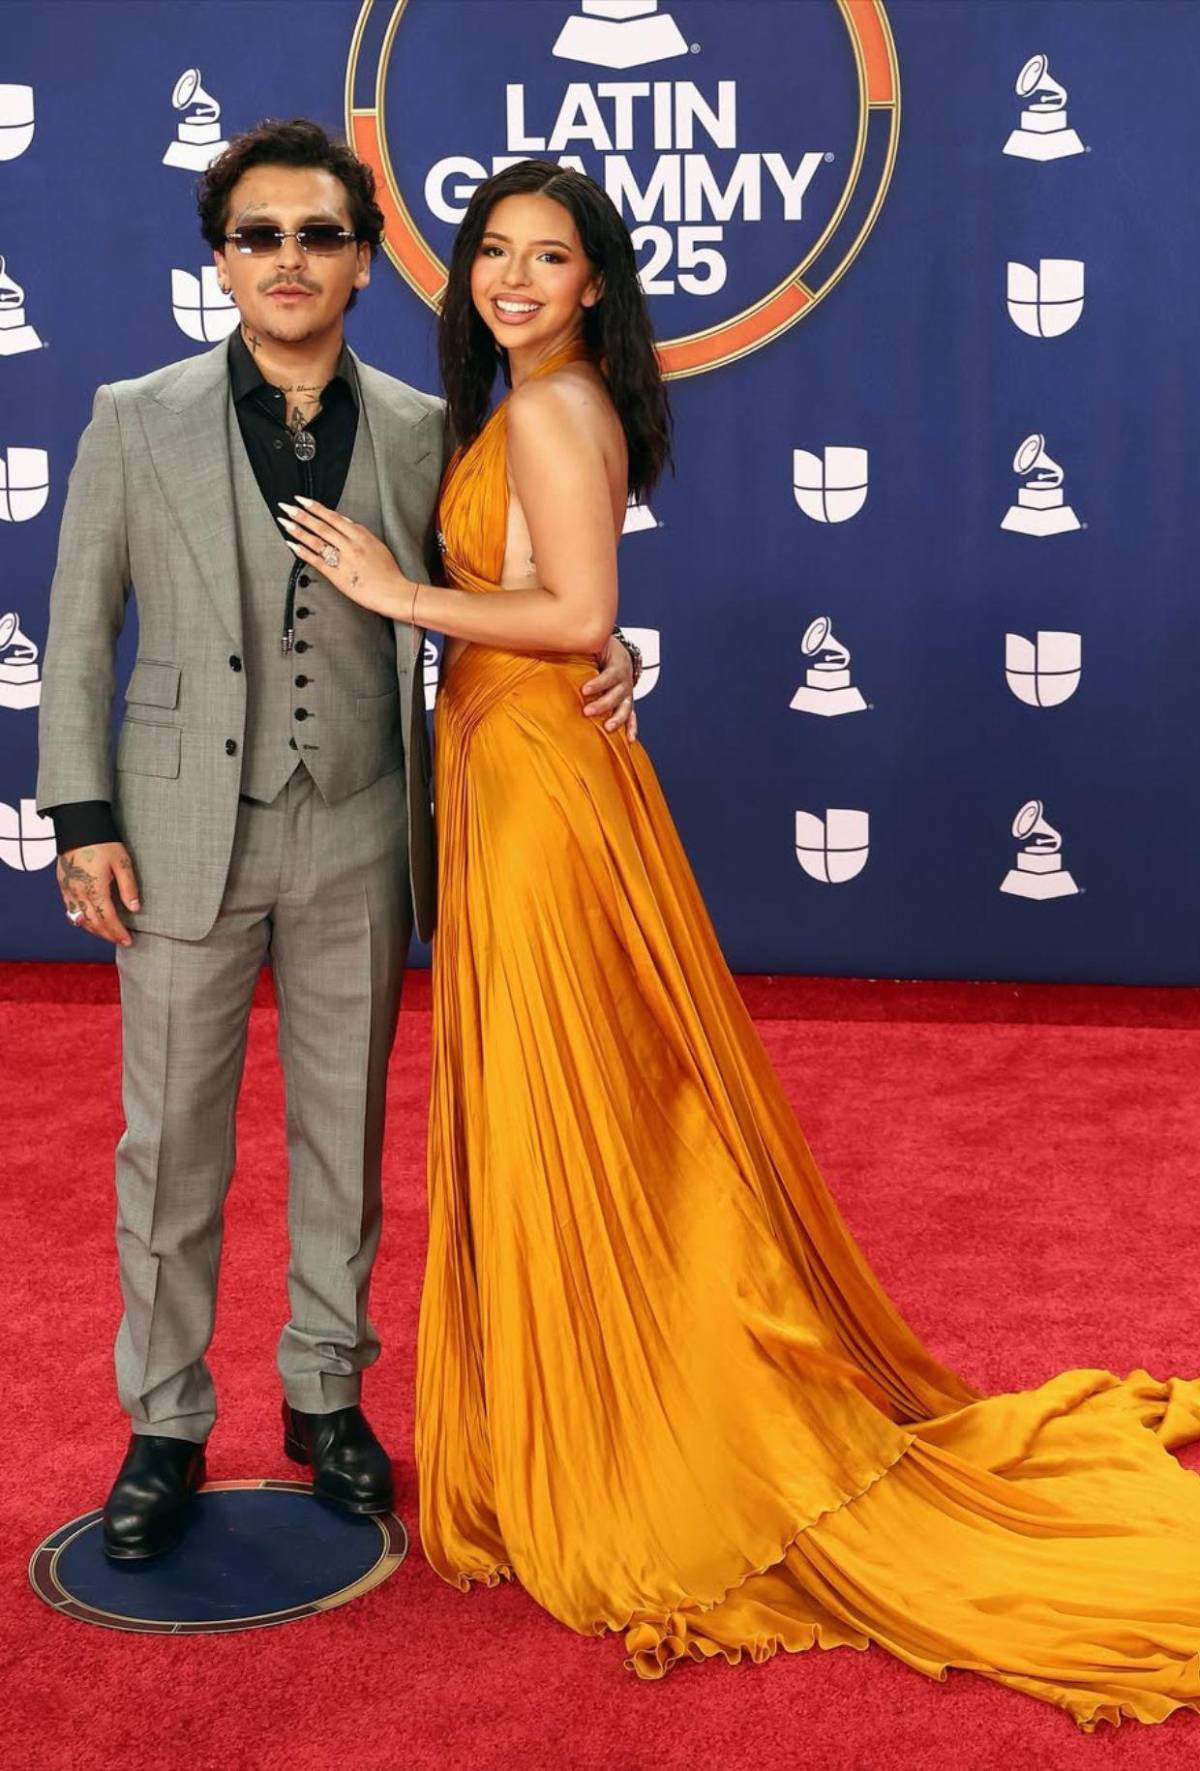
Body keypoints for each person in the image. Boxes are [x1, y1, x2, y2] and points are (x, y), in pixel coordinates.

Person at [281, 157, 1200, 1728]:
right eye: (493, 251)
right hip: (509, 784)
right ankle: (587, 1409)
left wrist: (393, 588)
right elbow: (577, 618)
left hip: (543, 800)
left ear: (594, 286)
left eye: (547, 259)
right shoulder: (523, 405)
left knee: (605, 1109)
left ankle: (654, 1425)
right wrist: (537, 626)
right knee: (574, 1108)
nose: (511, 278)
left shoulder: (561, 411)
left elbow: (573, 615)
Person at [34, 124, 638, 1562]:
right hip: (180, 837)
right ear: (222, 261)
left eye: (318, 235)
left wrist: (602, 659)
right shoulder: (134, 414)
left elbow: (518, 590)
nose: (290, 261)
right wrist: (81, 818)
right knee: (169, 1146)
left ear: (364, 261)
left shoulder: (431, 427)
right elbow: (74, 634)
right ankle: (165, 1423)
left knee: (343, 1140)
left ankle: (325, 1398)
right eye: (260, 237)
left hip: (365, 826)